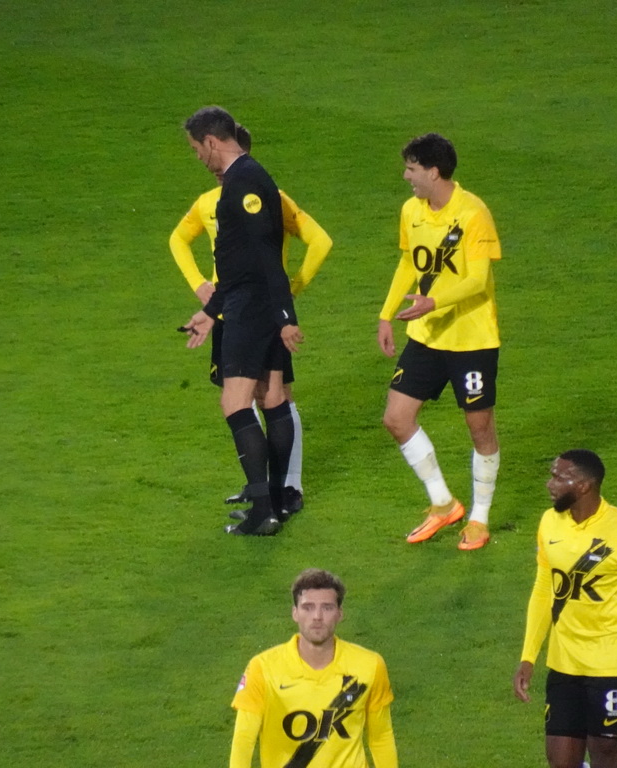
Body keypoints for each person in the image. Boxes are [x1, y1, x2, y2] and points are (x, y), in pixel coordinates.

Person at [169, 124, 332, 518]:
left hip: (252, 309)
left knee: (237, 403)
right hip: (249, 303)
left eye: (196, 148)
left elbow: (263, 256)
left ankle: (265, 508)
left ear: (210, 142)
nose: (197, 157)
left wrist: (285, 312)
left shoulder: (246, 183)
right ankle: (276, 497)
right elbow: (237, 264)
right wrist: (210, 312)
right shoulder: (242, 184)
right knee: (272, 397)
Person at [512, 450, 617, 768]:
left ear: (583, 486)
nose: (550, 484)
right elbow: (543, 591)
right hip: (564, 663)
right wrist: (528, 657)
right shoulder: (549, 523)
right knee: (561, 761)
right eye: (551, 474)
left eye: (559, 477)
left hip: (611, 666)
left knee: (605, 757)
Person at [376, 133, 502, 551]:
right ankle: (443, 503)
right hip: (427, 336)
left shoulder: (473, 213)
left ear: (433, 171)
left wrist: (433, 301)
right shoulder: (411, 211)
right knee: (396, 418)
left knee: (479, 426)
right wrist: (385, 313)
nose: (405, 176)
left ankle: (480, 519)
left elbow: (478, 279)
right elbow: (409, 261)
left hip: (471, 339)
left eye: (411, 168)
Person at [229, 568, 398, 768]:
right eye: (308, 607)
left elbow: (381, 737)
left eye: (327, 608)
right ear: (295, 613)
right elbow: (244, 741)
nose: (317, 616)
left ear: (339, 614)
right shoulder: (263, 669)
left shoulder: (369, 665)